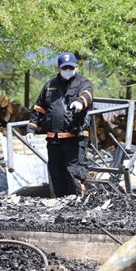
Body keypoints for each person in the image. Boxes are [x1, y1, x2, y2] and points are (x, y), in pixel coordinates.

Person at [25, 52, 93, 197]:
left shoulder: (83, 82)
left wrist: (80, 102)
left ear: (76, 67)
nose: (68, 70)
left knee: (74, 172)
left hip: (75, 139)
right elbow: (39, 109)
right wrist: (31, 129)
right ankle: (61, 206)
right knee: (56, 174)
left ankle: (78, 205)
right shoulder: (49, 86)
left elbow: (87, 95)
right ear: (58, 68)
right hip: (54, 140)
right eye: (65, 68)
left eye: (71, 67)